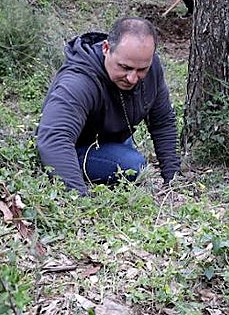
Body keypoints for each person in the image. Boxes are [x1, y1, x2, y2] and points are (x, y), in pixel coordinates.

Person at [36, 17, 180, 194]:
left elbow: (163, 122)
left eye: (142, 70)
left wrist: (172, 180)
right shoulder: (78, 82)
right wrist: (78, 197)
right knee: (134, 165)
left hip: (111, 135)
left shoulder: (152, 68)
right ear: (106, 49)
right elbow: (55, 140)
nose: (132, 78)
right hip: (74, 147)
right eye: (125, 67)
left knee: (129, 158)